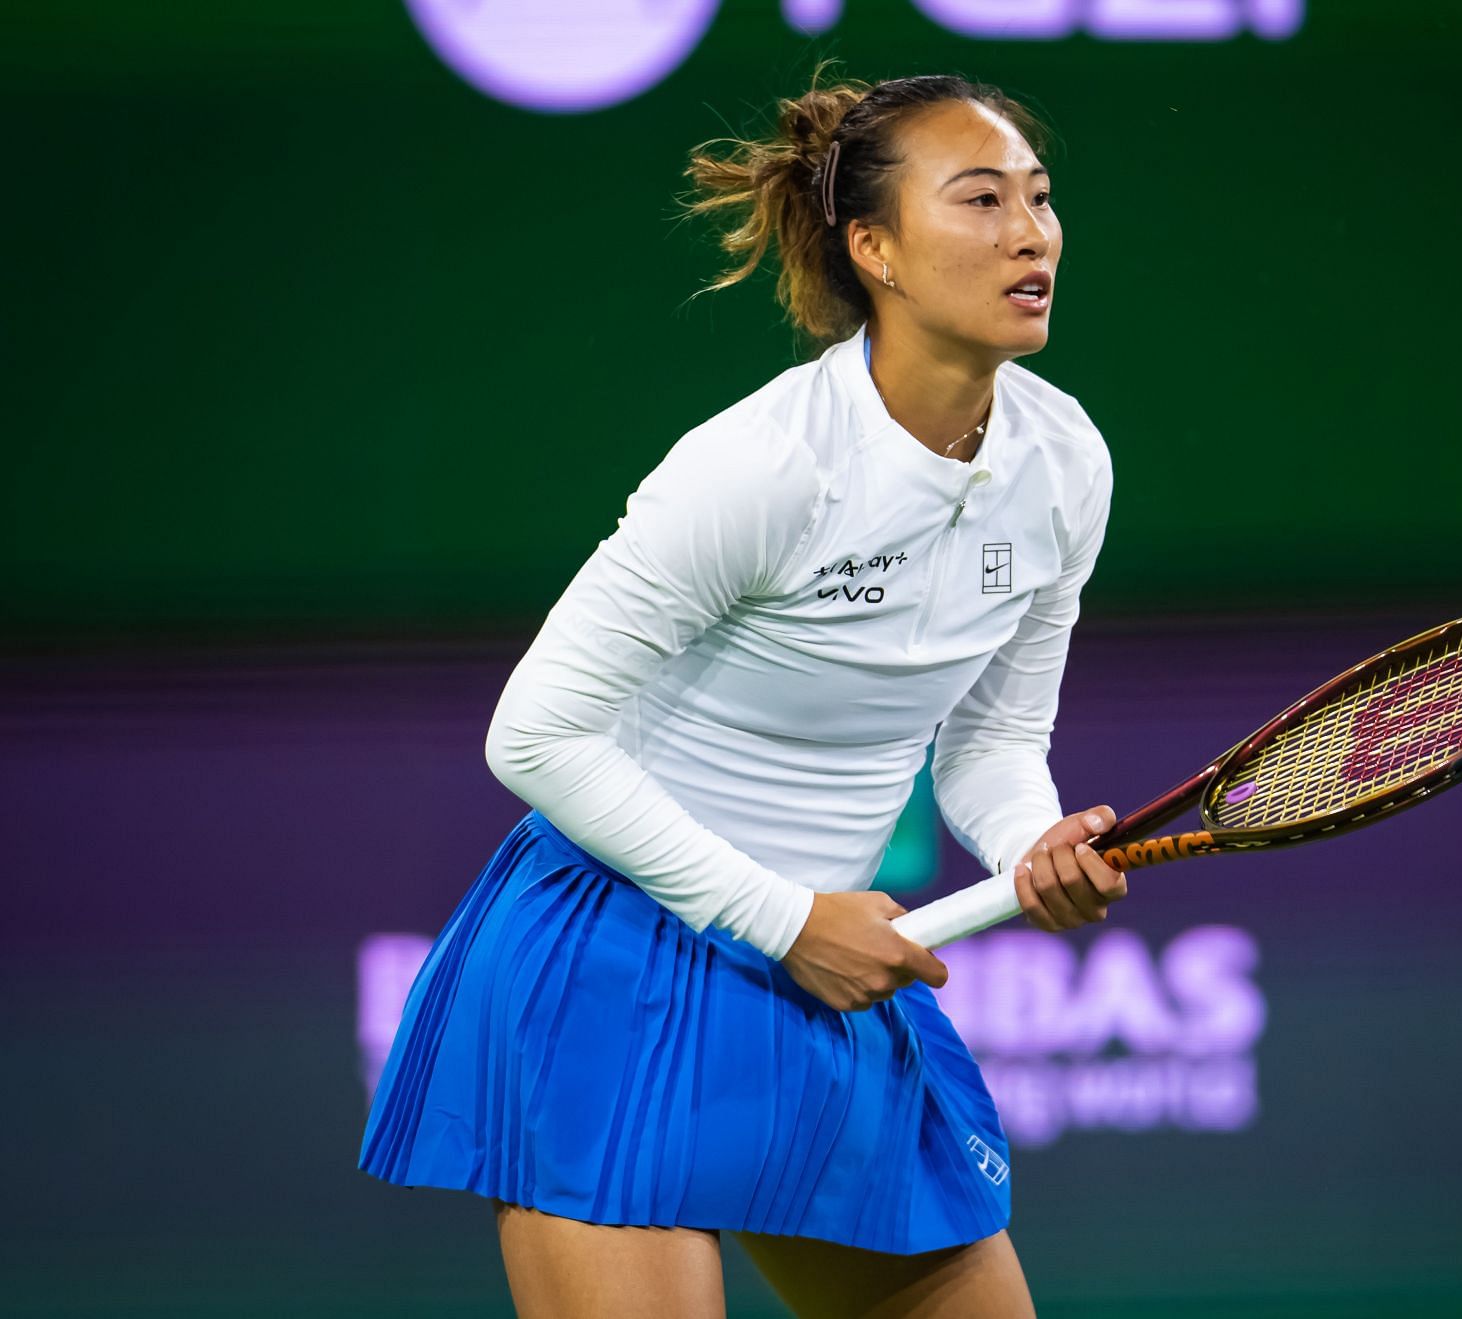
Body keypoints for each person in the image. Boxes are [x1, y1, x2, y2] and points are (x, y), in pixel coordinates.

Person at [359, 64, 1124, 1318]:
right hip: (621, 949)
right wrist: (784, 919)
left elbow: (992, 735)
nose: (1031, 232)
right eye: (980, 200)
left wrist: (1029, 839)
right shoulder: (763, 468)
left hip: (817, 960)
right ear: (873, 246)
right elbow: (537, 730)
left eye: (1039, 199)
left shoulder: (1066, 459)